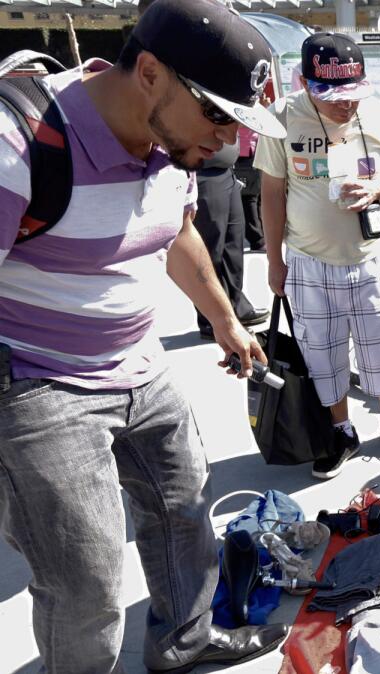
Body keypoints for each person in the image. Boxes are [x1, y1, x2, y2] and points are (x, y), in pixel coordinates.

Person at [0, 0, 290, 670]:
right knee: (86, 580)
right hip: (42, 384)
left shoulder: (171, 142)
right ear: (151, 73)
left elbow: (178, 232)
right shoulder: (21, 143)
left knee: (184, 511)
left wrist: (223, 319)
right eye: (219, 114)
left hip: (139, 362)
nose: (227, 139)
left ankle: (182, 641)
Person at [257, 32, 380, 480]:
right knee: (322, 355)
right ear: (306, 83)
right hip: (308, 262)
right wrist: (274, 262)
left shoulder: (378, 114)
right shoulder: (282, 117)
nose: (343, 105)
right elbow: (271, 196)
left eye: (351, 94)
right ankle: (342, 430)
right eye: (330, 95)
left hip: (370, 257)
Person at [193, 140, 268, 339]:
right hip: (203, 171)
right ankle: (211, 319)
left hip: (227, 171)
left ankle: (236, 307)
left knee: (233, 247)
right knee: (210, 251)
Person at [236, 123, 266, 251]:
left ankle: (262, 237)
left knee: (257, 197)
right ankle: (257, 240)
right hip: (243, 153)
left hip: (256, 152)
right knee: (249, 198)